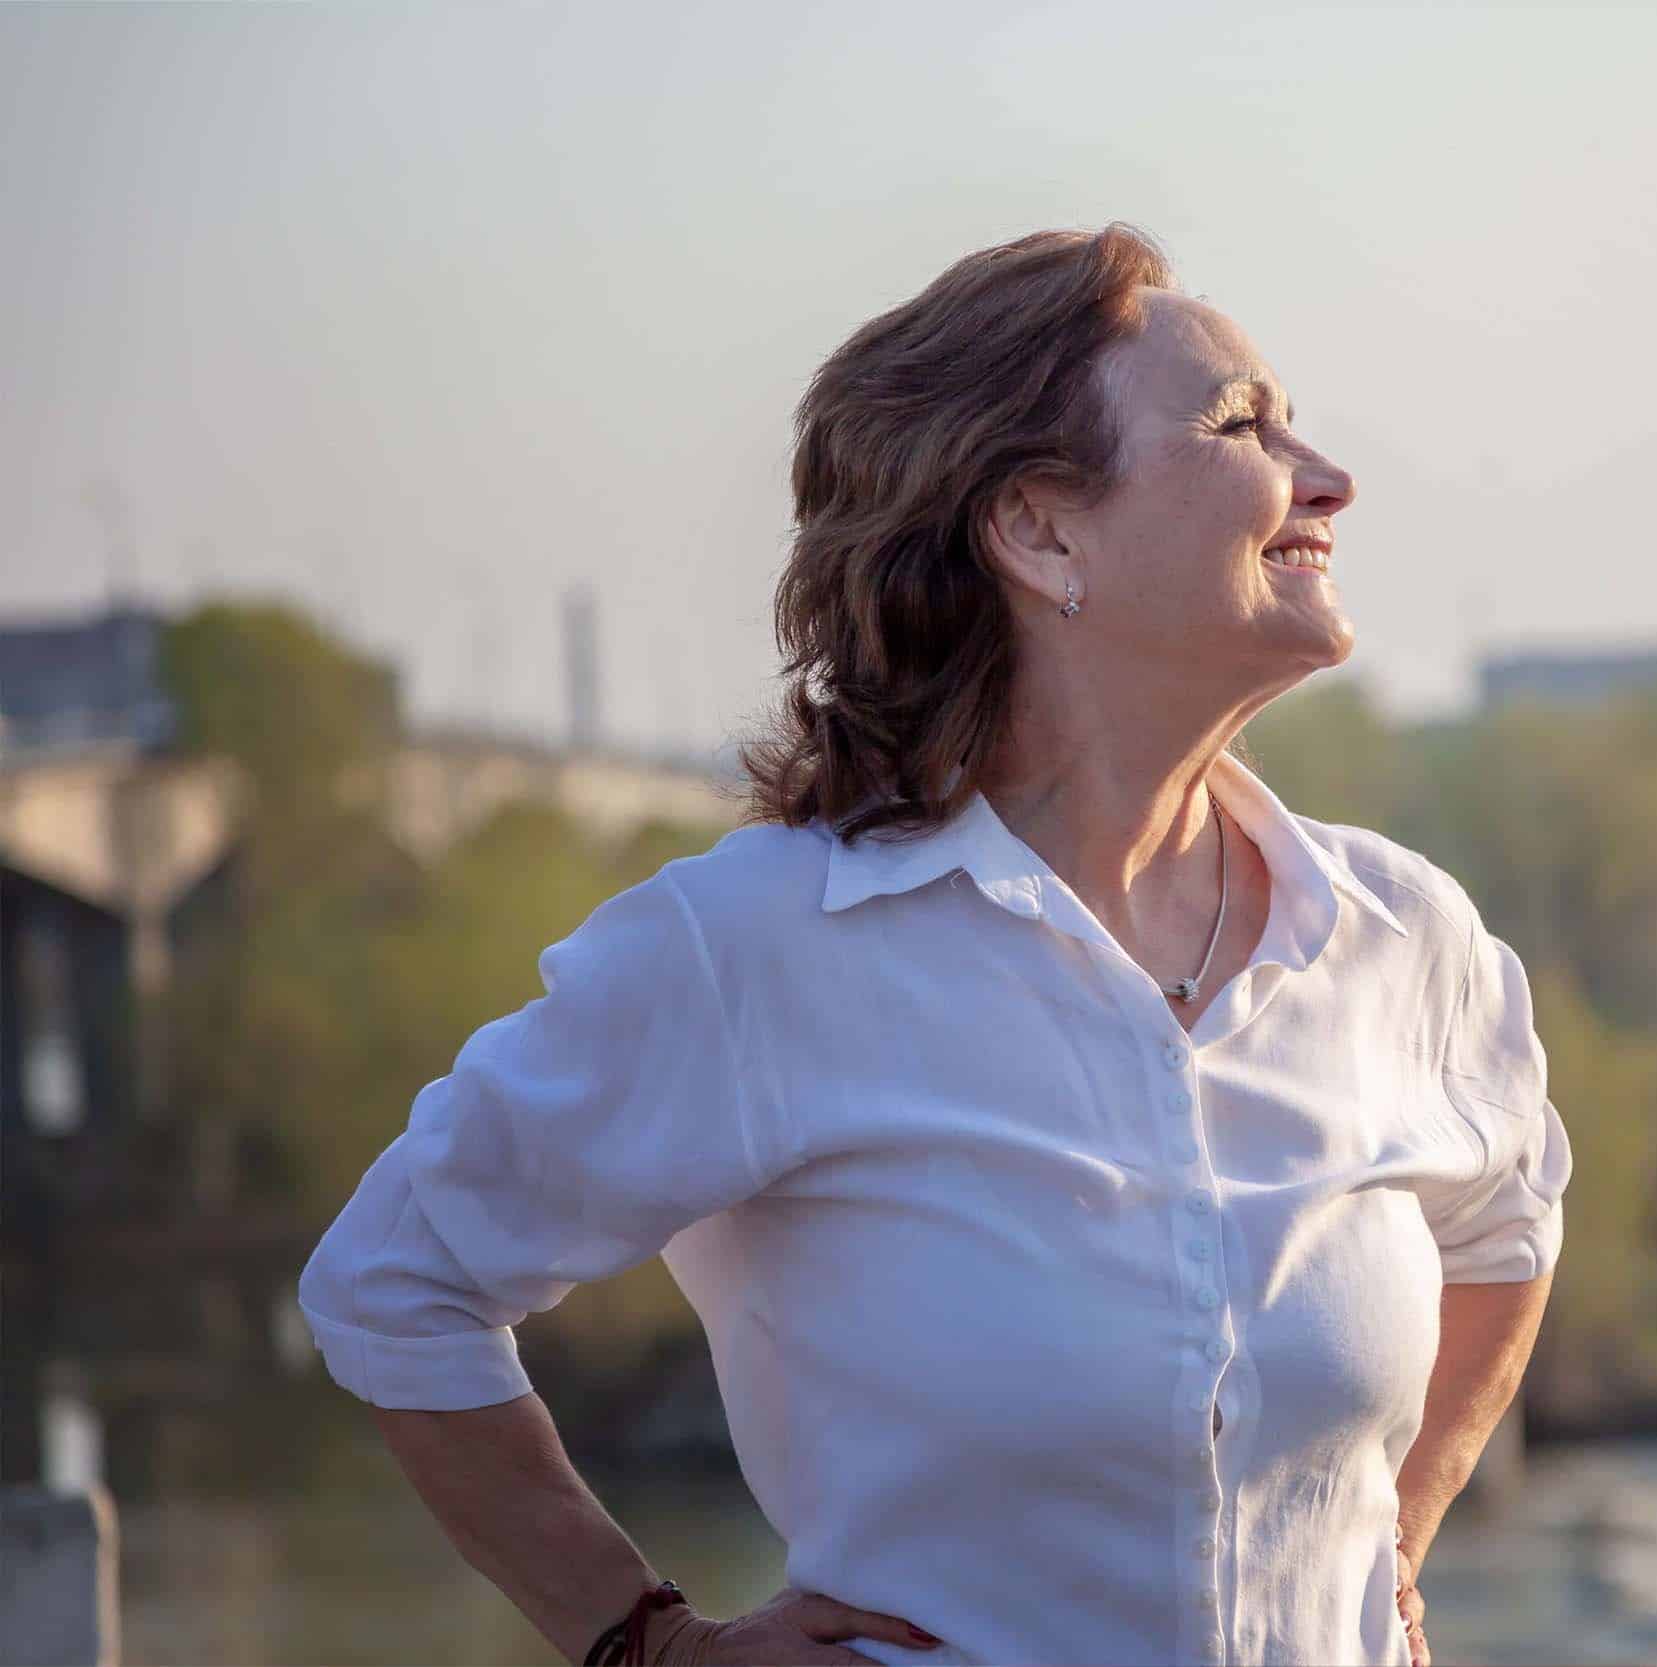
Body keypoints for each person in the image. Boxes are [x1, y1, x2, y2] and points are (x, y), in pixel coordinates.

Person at [297, 221, 1570, 1667]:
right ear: (1039, 530)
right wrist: (644, 1644)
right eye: (1242, 426)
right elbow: (397, 1279)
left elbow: (1510, 1222)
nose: (1326, 477)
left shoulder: (1404, 939)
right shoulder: (761, 950)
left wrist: (1391, 1544)